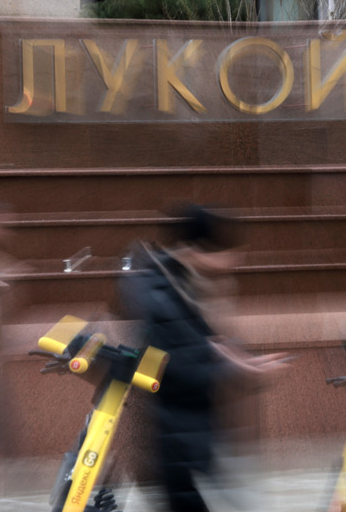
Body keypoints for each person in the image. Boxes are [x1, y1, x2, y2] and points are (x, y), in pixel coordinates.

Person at [117, 204, 288, 512]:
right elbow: (179, 363)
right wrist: (243, 373)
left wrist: (241, 361)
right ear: (195, 249)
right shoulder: (160, 293)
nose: (232, 262)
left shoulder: (177, 280)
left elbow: (204, 342)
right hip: (173, 437)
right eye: (225, 253)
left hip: (189, 432)